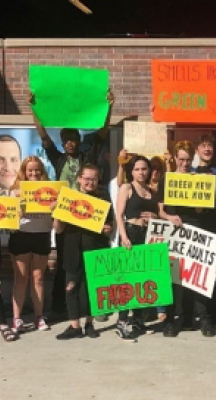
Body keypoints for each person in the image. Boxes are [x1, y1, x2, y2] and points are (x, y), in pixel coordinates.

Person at [30, 91, 114, 321]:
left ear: (77, 141)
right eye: (65, 139)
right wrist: (34, 110)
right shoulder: (58, 159)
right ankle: (60, 307)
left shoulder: (87, 157)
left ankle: (95, 309)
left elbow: (103, 133)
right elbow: (44, 137)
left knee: (91, 263)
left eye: (72, 139)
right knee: (66, 265)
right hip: (66, 217)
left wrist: (109, 107)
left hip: (88, 216)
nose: (69, 143)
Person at [157, 140, 215, 337]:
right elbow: (160, 210)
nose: (185, 163)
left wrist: (199, 202)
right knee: (176, 278)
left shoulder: (200, 178)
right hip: (174, 232)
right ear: (174, 159)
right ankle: (175, 319)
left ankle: (204, 319)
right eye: (181, 159)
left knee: (198, 276)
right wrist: (170, 217)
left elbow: (204, 209)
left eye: (188, 159)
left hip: (196, 230)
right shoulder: (167, 180)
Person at [54, 164, 114, 340]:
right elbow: (58, 230)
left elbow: (110, 226)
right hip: (73, 248)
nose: (90, 182)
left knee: (92, 288)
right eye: (87, 178)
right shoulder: (69, 199)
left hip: (95, 247)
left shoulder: (103, 198)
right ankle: (74, 326)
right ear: (79, 178)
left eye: (94, 179)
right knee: (71, 287)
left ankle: (89, 324)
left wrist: (107, 228)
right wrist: (57, 212)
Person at [114, 155, 159, 341]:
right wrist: (124, 236)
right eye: (137, 169)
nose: (141, 172)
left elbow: (158, 213)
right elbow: (119, 214)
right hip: (130, 233)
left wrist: (154, 217)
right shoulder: (126, 187)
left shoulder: (151, 190)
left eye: (144, 169)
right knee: (127, 280)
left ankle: (138, 320)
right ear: (131, 171)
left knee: (141, 279)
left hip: (146, 235)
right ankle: (122, 321)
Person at [9, 156, 53, 332]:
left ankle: (39, 317)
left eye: (37, 170)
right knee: (20, 278)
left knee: (39, 278)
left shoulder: (51, 191)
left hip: (42, 235)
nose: (34, 173)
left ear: (42, 171)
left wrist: (56, 207)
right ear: (24, 172)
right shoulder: (15, 191)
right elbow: (8, 219)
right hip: (21, 235)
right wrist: (16, 213)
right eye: (30, 170)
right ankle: (17, 318)